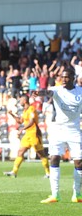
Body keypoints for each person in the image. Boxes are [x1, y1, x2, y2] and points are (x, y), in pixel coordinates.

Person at [37, 69, 82, 203]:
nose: (63, 79)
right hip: (58, 129)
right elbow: (47, 92)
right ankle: (55, 194)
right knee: (54, 158)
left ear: (73, 78)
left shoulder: (80, 91)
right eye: (62, 77)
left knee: (79, 162)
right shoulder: (57, 90)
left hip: (74, 130)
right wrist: (39, 92)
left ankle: (77, 194)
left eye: (66, 77)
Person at [3, 94, 50, 178]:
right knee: (20, 152)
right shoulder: (25, 111)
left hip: (35, 134)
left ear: (24, 101)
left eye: (20, 100)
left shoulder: (31, 109)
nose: (19, 102)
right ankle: (14, 172)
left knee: (41, 154)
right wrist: (12, 114)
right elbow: (20, 121)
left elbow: (32, 122)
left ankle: (48, 173)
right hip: (27, 135)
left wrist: (22, 129)